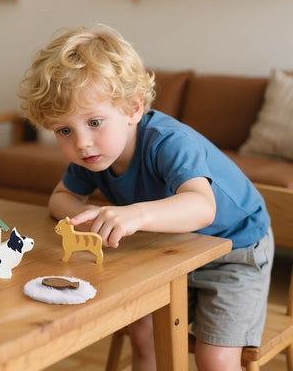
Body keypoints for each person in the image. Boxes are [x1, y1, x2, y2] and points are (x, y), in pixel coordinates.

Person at [19, 24, 274, 371]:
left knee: (213, 358)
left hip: (235, 251)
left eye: (94, 121)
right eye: (64, 130)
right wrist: (87, 212)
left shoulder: (168, 143)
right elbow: (59, 198)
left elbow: (202, 207)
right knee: (145, 335)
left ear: (133, 109)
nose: (81, 142)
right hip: (172, 249)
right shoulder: (93, 155)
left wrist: (135, 215)